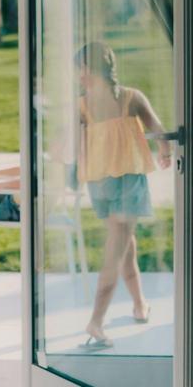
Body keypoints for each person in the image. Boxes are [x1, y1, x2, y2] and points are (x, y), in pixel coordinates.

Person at [75, 42, 171, 349]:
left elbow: (157, 129)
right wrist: (164, 151)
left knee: (121, 244)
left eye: (80, 70)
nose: (77, 77)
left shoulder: (121, 100)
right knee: (119, 248)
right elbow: (159, 130)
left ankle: (139, 304)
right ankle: (97, 321)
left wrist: (164, 151)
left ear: (90, 71)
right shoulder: (105, 102)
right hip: (112, 183)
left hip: (111, 183)